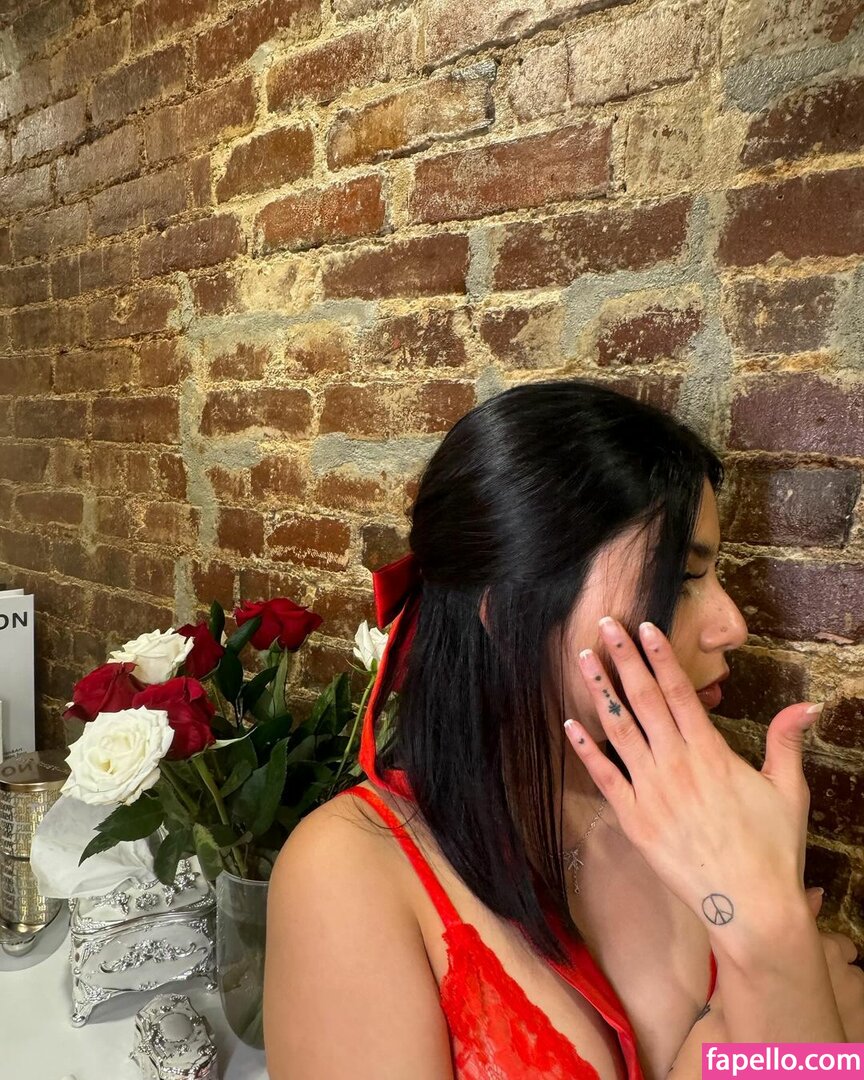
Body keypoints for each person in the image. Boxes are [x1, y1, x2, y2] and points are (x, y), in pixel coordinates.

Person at [264, 379, 862, 1079]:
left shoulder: (694, 804)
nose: (733, 625)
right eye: (680, 579)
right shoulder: (348, 872)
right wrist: (739, 1023)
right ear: (509, 610)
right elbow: (810, 1039)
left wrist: (774, 951)